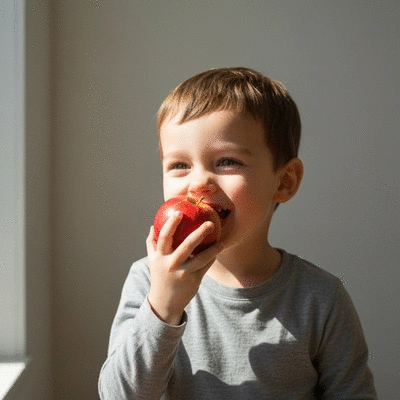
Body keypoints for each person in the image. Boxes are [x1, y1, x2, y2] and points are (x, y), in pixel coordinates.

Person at [98, 67, 377, 399]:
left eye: (226, 161)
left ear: (284, 181)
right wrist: (163, 306)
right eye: (179, 165)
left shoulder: (320, 299)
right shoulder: (148, 281)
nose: (198, 182)